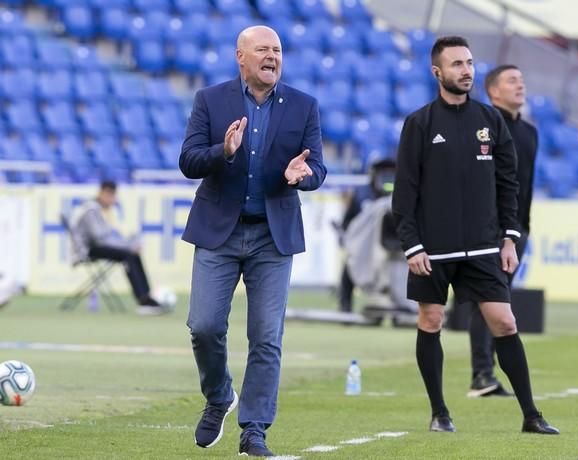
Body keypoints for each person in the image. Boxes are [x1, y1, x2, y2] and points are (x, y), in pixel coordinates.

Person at [392, 36, 558, 435]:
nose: (466, 70)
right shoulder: (419, 123)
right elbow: (404, 191)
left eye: (469, 63)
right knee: (431, 320)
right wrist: (413, 245)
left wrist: (509, 238)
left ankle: (531, 415)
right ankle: (439, 412)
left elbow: (509, 183)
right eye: (456, 65)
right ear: (437, 72)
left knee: (504, 322)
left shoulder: (490, 120)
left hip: (485, 246)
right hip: (433, 250)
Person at [179, 25, 327, 457]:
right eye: (262, 49)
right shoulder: (210, 100)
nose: (272, 56)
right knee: (203, 326)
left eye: (277, 50)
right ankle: (220, 395)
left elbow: (317, 167)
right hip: (218, 232)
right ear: (240, 57)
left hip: (272, 236)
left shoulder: (304, 106)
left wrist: (306, 176)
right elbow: (188, 160)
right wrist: (222, 152)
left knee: (266, 337)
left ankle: (254, 429)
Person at [464, 64, 538, 398]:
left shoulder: (529, 132)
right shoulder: (481, 126)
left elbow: (525, 186)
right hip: (486, 228)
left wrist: (523, 227)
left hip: (516, 229)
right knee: (490, 298)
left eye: (522, 80)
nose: (520, 85)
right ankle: (482, 374)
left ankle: (486, 373)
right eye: (512, 80)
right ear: (493, 90)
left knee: (498, 297)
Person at [71, 180, 164, 315]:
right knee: (129, 255)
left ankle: (147, 297)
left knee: (132, 254)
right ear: (104, 193)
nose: (113, 201)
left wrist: (128, 245)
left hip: (95, 246)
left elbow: (106, 238)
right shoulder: (90, 210)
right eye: (112, 196)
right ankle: (143, 300)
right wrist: (128, 246)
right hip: (87, 250)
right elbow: (100, 239)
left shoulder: (96, 209)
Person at [337, 156, 397, 312]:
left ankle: (401, 306)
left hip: (394, 248)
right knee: (349, 267)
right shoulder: (362, 193)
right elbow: (348, 221)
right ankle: (345, 308)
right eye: (384, 173)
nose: (387, 177)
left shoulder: (402, 194)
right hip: (365, 247)